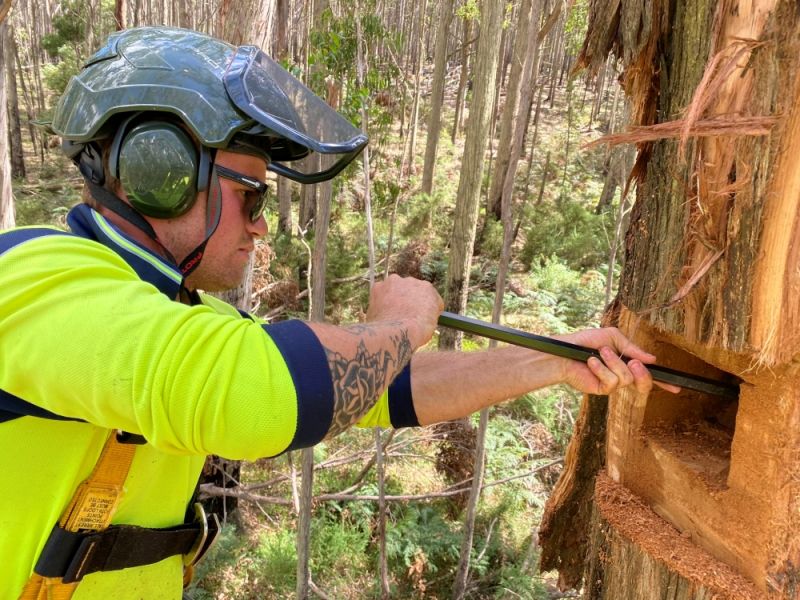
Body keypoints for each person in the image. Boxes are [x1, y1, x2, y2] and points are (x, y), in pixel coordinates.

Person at [0, 27, 673, 600]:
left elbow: (385, 389)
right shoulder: (32, 279)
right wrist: (400, 326)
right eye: (253, 198)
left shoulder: (161, 309)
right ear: (161, 169)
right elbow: (255, 397)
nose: (261, 228)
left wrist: (554, 359)